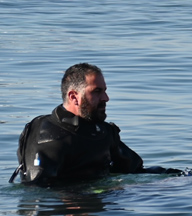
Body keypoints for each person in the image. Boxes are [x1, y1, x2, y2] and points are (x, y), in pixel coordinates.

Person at [10, 63, 171, 186]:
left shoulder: (102, 131)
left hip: (105, 204)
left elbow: (135, 171)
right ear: (74, 97)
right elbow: (35, 192)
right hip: (69, 212)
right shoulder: (48, 137)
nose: (106, 98)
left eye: (105, 90)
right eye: (97, 91)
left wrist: (181, 178)